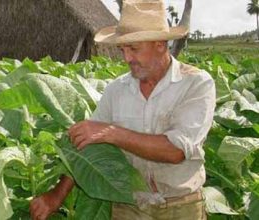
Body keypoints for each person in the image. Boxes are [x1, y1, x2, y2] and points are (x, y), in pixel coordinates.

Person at [30, 0, 215, 219]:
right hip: (129, 206)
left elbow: (175, 151)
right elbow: (86, 144)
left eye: (134, 49)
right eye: (123, 49)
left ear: (160, 44)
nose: (126, 58)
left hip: (181, 206)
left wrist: (112, 133)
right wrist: (56, 195)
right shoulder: (116, 90)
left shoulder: (196, 84)